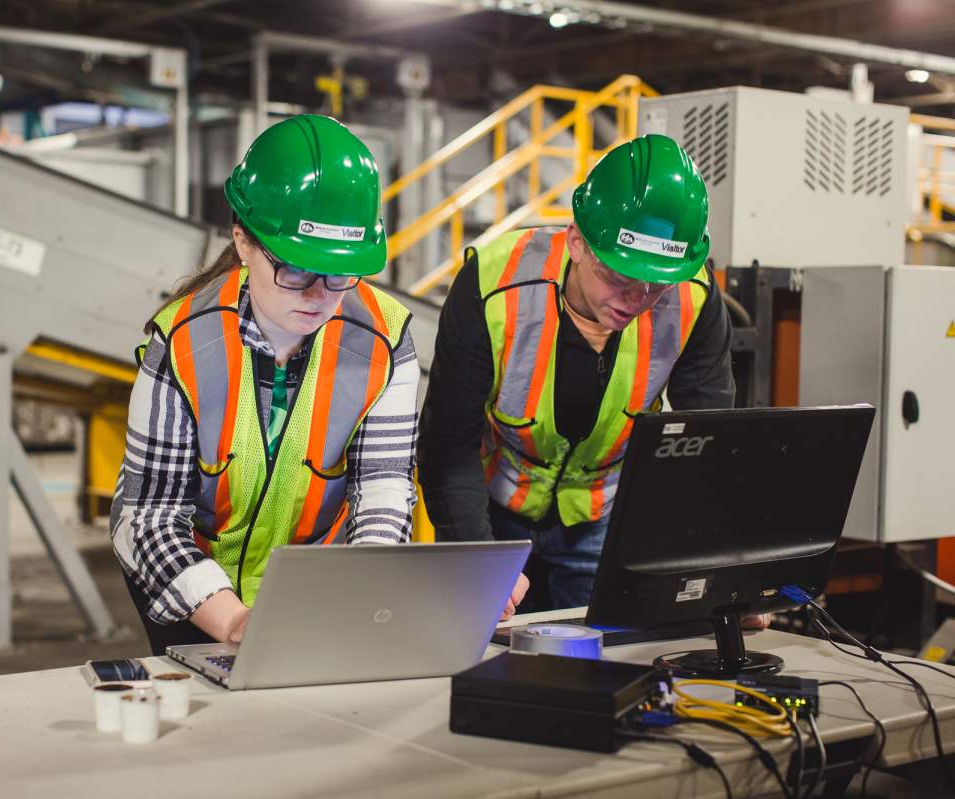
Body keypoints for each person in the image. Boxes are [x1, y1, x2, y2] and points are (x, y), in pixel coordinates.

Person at [112, 115, 420, 655]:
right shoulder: (182, 343)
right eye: (296, 270)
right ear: (244, 242)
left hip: (321, 597)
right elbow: (147, 515)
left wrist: (366, 593)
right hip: (195, 593)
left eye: (340, 272)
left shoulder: (386, 339)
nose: (320, 295)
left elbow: (383, 487)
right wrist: (232, 620)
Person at [417, 134, 735, 612]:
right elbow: (448, 444)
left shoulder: (694, 299)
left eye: (656, 285)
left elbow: (708, 446)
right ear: (577, 243)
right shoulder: (493, 283)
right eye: (619, 277)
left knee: (604, 664)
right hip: (490, 509)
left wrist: (721, 569)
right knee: (482, 663)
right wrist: (477, 561)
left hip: (603, 514)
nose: (636, 299)